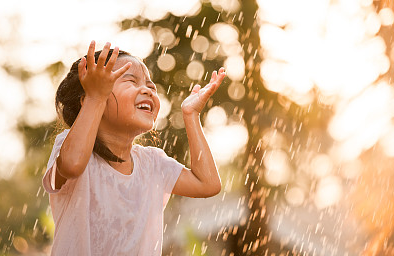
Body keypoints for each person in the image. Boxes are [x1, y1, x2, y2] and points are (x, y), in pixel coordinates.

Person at [42, 40, 226, 255]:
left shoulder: (153, 163)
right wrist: (96, 96)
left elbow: (208, 184)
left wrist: (191, 115)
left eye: (151, 86)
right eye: (131, 81)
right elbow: (72, 165)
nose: (147, 91)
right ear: (88, 99)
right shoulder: (69, 146)